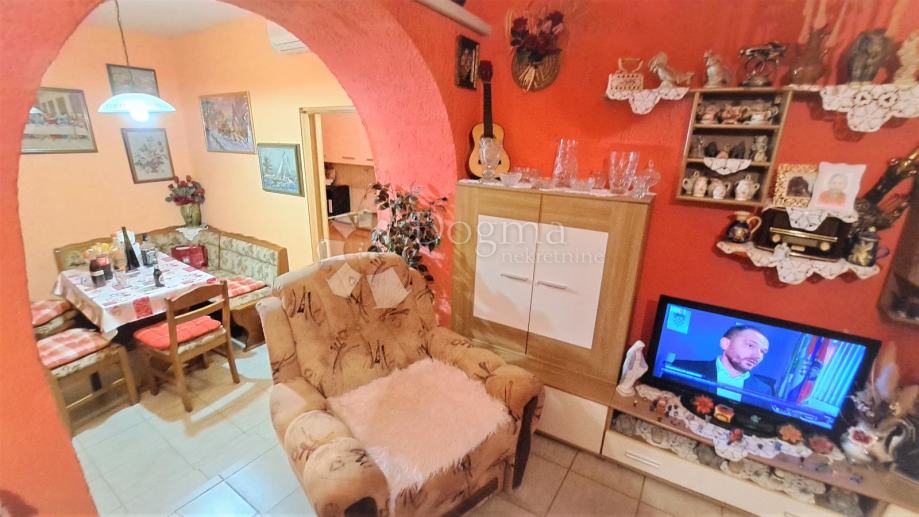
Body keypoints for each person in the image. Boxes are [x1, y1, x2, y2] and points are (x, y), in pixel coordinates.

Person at [667, 325, 775, 402]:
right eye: (750, 345)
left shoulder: (764, 390)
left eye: (763, 352)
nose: (758, 356)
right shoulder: (682, 368)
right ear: (725, 344)